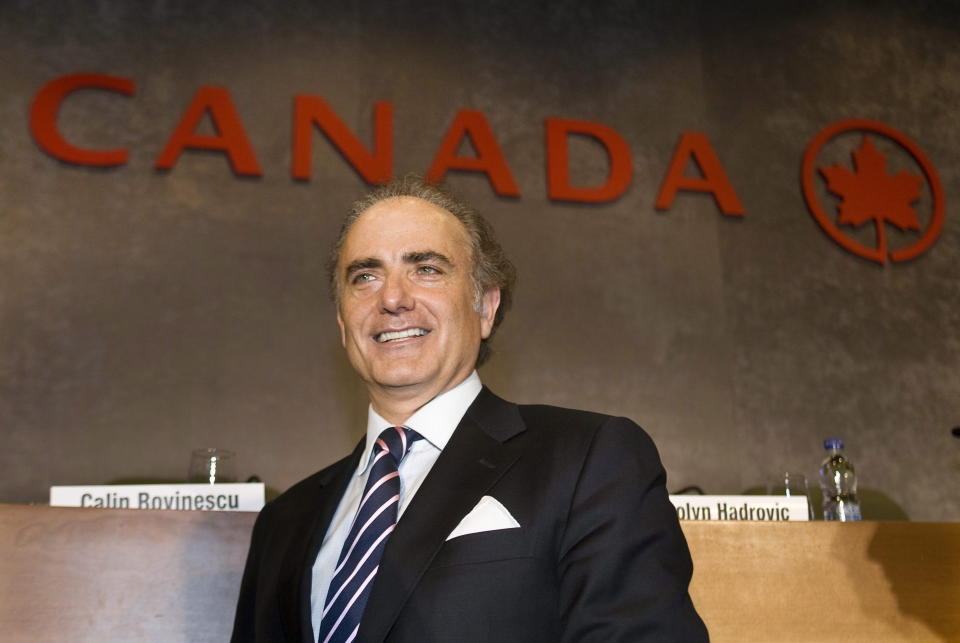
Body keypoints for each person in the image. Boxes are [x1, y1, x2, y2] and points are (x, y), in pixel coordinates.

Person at [231, 175, 708, 642]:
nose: (393, 298)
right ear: (342, 322)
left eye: (427, 269)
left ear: (486, 308)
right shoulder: (283, 521)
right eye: (366, 276)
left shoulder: (589, 459)